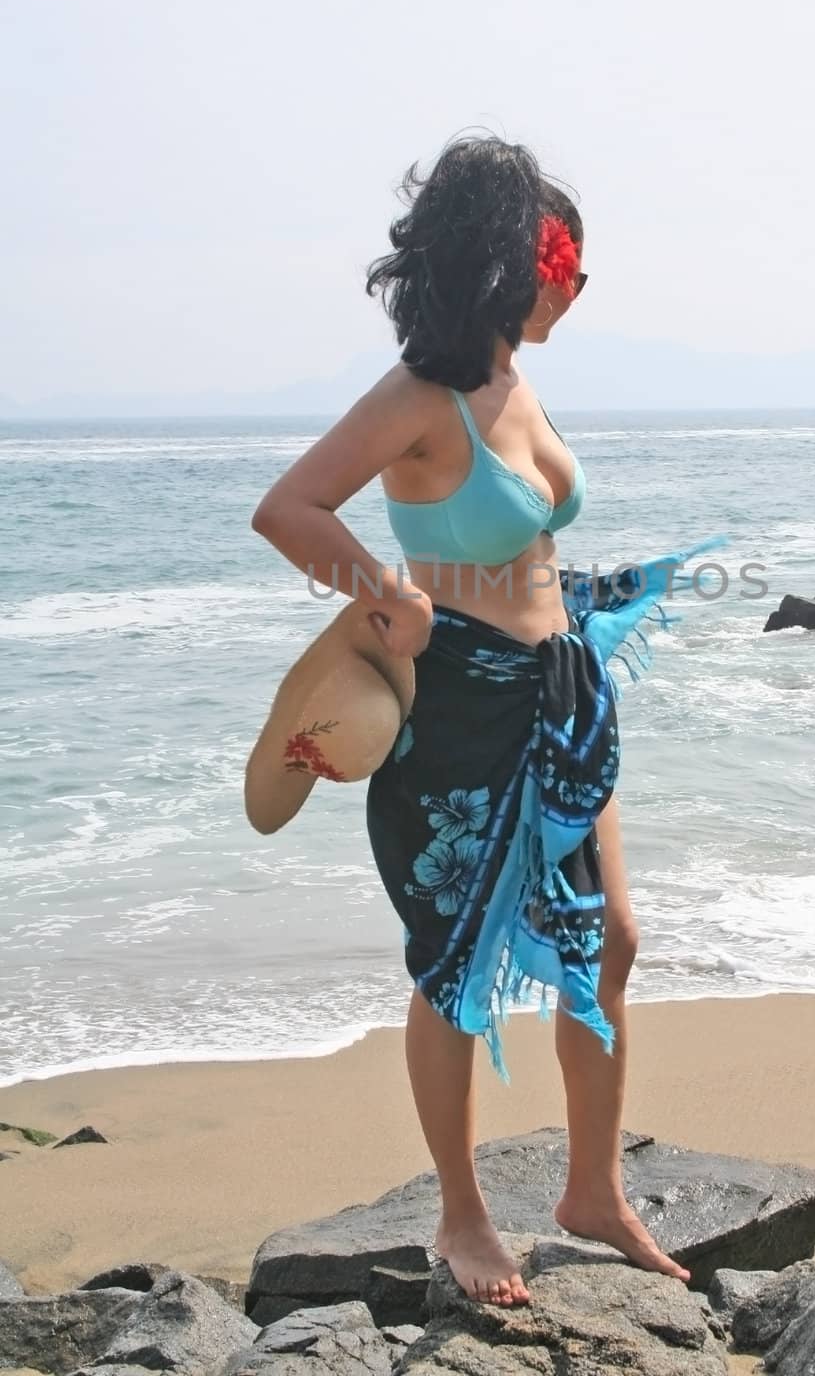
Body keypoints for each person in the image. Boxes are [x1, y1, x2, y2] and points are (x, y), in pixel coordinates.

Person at [250, 134, 711, 1308]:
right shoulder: (417, 398)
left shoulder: (516, 376)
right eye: (567, 257)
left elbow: (536, 537)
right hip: (455, 711)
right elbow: (289, 507)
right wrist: (387, 593)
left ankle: (591, 1191)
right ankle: (461, 1214)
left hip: (560, 692)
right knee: (451, 967)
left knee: (610, 938)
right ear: (511, 261)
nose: (577, 283)